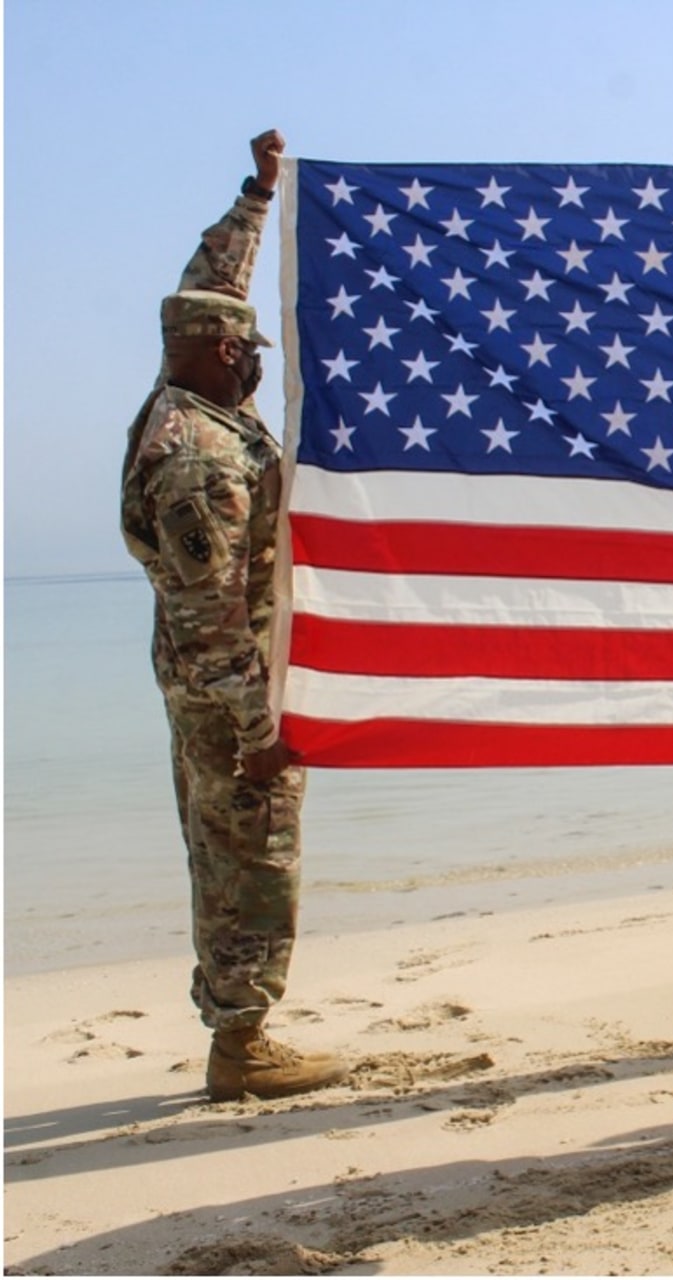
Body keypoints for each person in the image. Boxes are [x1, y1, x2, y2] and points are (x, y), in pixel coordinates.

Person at [121, 130, 348, 1100]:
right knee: (251, 855)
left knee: (222, 848)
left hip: (206, 679)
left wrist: (256, 200)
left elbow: (207, 280)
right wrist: (263, 728)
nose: (255, 362)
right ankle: (244, 1039)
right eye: (247, 350)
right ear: (220, 355)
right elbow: (213, 613)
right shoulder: (200, 457)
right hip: (229, 687)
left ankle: (232, 1016)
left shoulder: (185, 397)